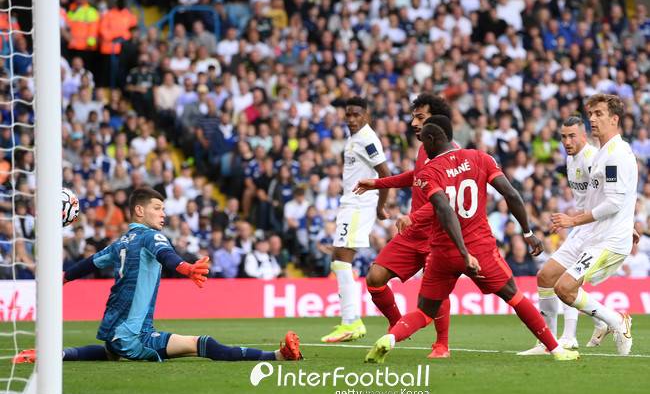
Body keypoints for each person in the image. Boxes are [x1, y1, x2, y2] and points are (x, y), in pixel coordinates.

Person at [364, 121, 579, 363]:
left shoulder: (429, 172)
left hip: (443, 253)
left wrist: (458, 250)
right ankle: (556, 349)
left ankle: (390, 338)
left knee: (424, 312)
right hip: (479, 249)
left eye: (423, 143)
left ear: (432, 140)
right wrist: (527, 232)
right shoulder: (480, 158)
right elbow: (511, 194)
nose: (423, 149)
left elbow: (444, 208)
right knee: (515, 297)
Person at [14, 188, 302, 364]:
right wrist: (186, 268)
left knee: (113, 353)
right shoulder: (152, 237)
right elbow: (167, 255)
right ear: (140, 211)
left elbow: (89, 263)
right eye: (157, 208)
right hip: (134, 335)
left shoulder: (120, 242)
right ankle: (277, 356)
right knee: (202, 343)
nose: (163, 213)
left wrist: (63, 278)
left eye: (163, 208)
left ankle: (57, 355)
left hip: (113, 332)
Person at [353, 93, 454, 358]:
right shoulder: (424, 148)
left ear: (436, 120)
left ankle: (442, 345)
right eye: (413, 117)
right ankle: (397, 325)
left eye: (420, 117)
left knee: (436, 291)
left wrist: (414, 216)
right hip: (413, 233)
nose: (413, 123)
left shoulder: (452, 154)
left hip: (438, 235)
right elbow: (415, 176)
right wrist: (377, 183)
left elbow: (445, 200)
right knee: (375, 278)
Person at [548, 94, 637, 356]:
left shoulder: (616, 155)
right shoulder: (603, 153)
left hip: (610, 240)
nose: (593, 119)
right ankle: (611, 321)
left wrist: (573, 220)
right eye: (591, 114)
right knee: (561, 286)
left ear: (614, 119)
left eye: (599, 114)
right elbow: (609, 198)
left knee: (564, 287)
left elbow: (613, 203)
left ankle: (614, 321)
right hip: (598, 236)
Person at [519, 116, 605, 355]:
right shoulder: (570, 159)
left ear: (584, 136)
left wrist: (626, 226)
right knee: (545, 276)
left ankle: (569, 337)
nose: (567, 141)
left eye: (572, 136)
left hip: (598, 230)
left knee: (566, 282)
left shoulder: (592, 159)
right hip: (581, 227)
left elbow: (609, 196)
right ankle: (549, 341)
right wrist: (568, 221)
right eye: (564, 137)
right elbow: (585, 201)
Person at [320, 97, 391, 343]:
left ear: (366, 116)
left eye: (356, 114)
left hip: (359, 205)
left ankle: (351, 322)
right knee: (337, 259)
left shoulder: (367, 139)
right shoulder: (354, 138)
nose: (351, 119)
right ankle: (351, 320)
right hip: (350, 204)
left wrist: (380, 206)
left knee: (341, 258)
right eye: (348, 114)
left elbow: (385, 174)